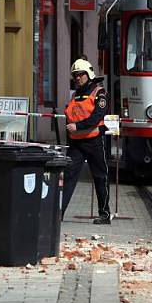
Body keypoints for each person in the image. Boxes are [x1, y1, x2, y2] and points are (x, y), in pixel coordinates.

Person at [61, 58, 111, 224]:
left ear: (88, 74)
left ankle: (104, 214)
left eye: (80, 75)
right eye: (74, 75)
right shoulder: (76, 94)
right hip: (76, 143)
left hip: (94, 141)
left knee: (100, 177)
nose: (77, 78)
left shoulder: (99, 93)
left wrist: (78, 126)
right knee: (68, 177)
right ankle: (57, 214)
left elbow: (97, 116)